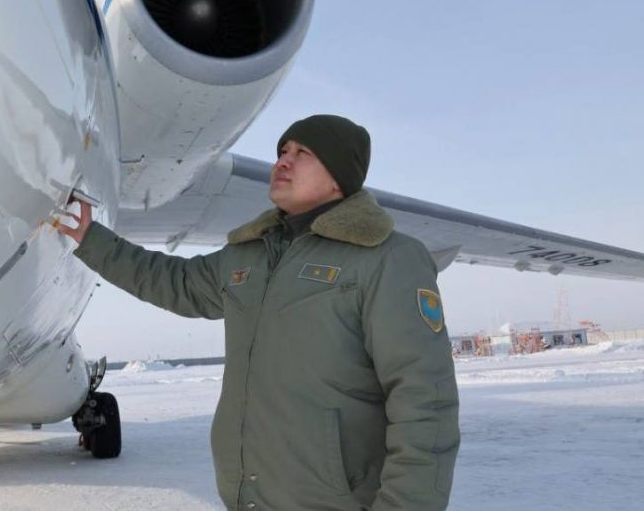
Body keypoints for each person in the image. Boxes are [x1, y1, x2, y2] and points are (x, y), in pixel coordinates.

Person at [60, 115, 459, 511]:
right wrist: (92, 239)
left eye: (303, 153)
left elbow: (425, 403)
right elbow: (173, 281)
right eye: (283, 150)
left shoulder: (387, 259)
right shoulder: (249, 255)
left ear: (339, 176)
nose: (283, 161)